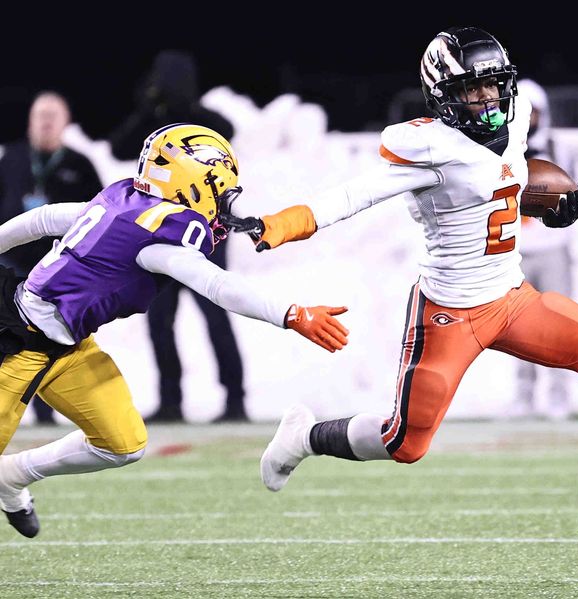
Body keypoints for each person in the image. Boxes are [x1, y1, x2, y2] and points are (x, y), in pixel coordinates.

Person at [236, 27, 578, 544]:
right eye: (471, 88)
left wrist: (548, 196)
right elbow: (353, 196)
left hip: (511, 298)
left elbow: (504, 177)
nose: (487, 98)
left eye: (493, 85)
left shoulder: (519, 113)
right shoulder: (429, 147)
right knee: (404, 442)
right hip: (449, 313)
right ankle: (302, 437)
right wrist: (283, 223)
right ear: (442, 94)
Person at [0, 123, 349, 538]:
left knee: (122, 443)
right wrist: (290, 314)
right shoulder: (158, 237)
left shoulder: (126, 198)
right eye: (219, 191)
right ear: (193, 184)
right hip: (16, 344)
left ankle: (11, 476)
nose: (223, 203)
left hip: (68, 347)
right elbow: (218, 285)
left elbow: (44, 218)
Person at [108, 50, 246, 422]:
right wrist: (150, 113)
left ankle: (235, 398)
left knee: (216, 313)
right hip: (161, 235)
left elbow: (228, 134)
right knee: (160, 320)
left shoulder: (203, 124)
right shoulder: (153, 127)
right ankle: (171, 400)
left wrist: (184, 113)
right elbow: (119, 146)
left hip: (205, 235)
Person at [0, 91, 103, 425]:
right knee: (13, 338)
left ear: (65, 122)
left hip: (60, 269)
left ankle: (57, 408)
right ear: (30, 120)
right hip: (13, 265)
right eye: (39, 115)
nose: (45, 122)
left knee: (55, 338)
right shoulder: (12, 158)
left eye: (52, 115)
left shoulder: (79, 164)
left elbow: (103, 217)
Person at [509, 78, 577, 420]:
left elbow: (575, 199)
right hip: (514, 251)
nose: (529, 118)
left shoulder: (558, 147)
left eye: (533, 112)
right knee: (519, 327)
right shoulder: (499, 148)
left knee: (558, 322)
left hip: (552, 248)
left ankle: (559, 395)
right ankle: (523, 395)